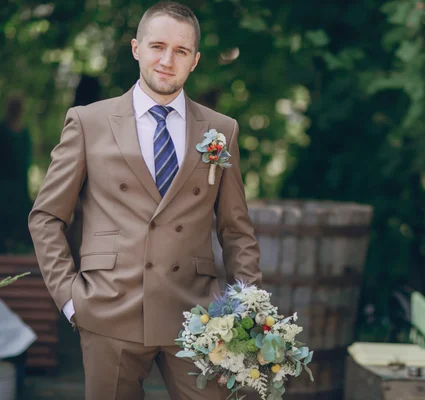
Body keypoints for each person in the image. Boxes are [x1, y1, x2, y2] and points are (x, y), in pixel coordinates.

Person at [27, 2, 261, 399]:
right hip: (108, 310)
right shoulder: (88, 122)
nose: (167, 60)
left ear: (195, 61)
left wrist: (249, 311)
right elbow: (47, 217)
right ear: (137, 48)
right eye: (157, 46)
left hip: (198, 317)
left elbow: (236, 230)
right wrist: (71, 300)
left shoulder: (222, 130)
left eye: (181, 51)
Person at [0, 94, 32, 253]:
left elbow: (26, 161)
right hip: (3, 184)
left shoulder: (24, 133)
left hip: (19, 185)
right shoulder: (2, 130)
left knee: (18, 217)